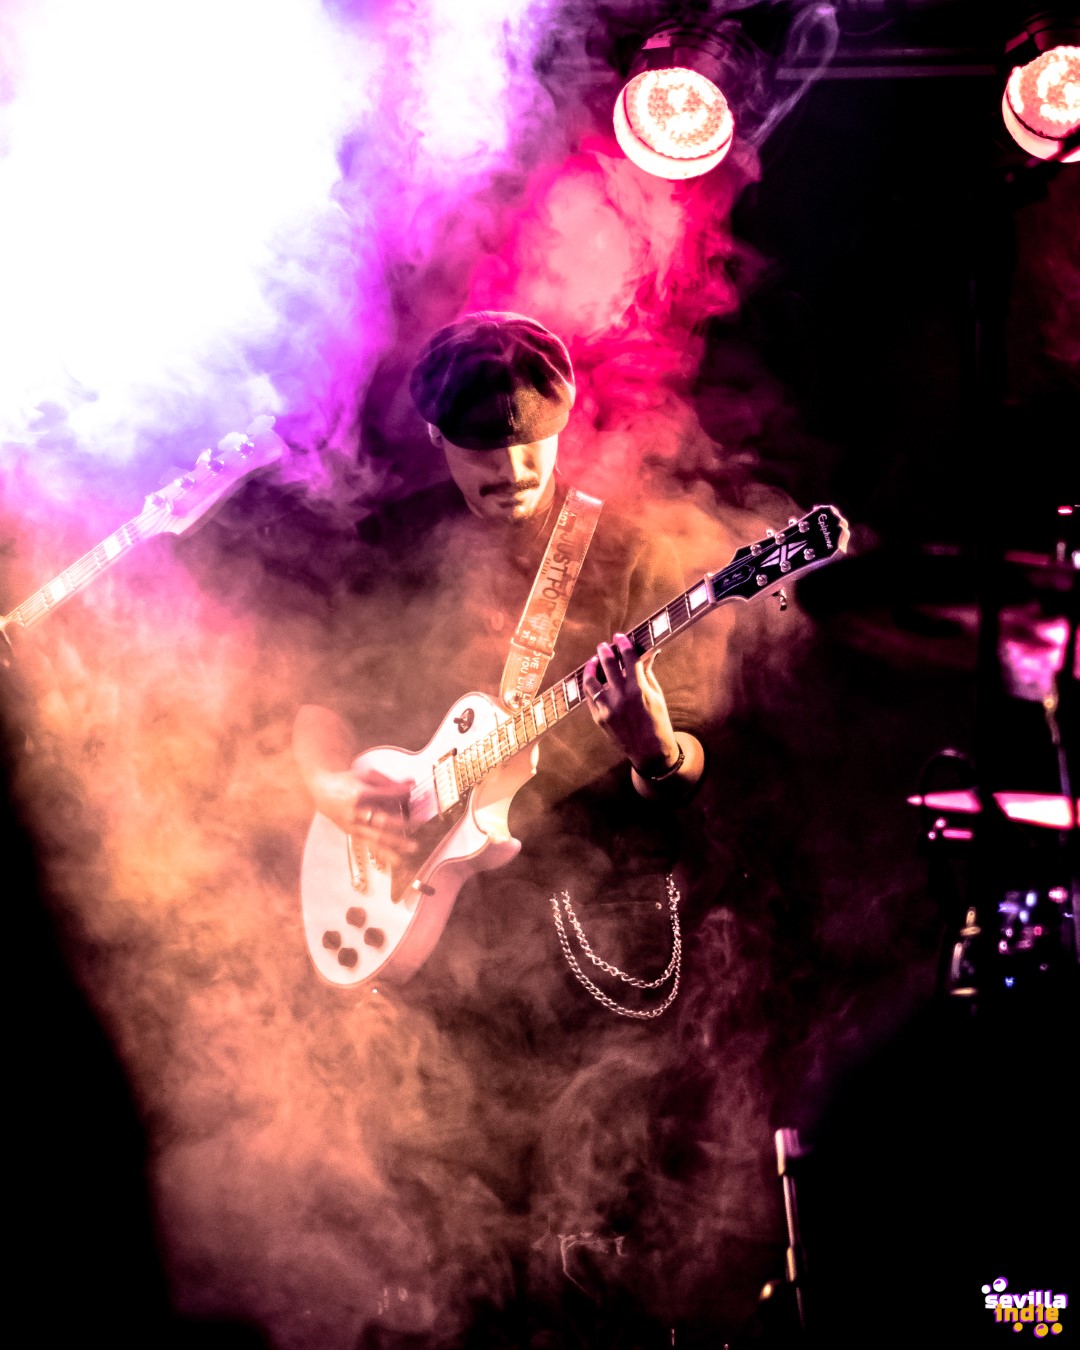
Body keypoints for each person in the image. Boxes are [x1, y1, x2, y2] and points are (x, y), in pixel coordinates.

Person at [292, 312, 711, 1348]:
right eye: (483, 450)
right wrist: (332, 790)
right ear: (438, 438)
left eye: (533, 444)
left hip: (587, 933)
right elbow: (308, 705)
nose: (513, 469)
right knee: (434, 1236)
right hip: (432, 948)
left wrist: (654, 748)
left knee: (592, 1233)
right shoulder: (391, 545)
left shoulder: (627, 551)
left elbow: (701, 773)